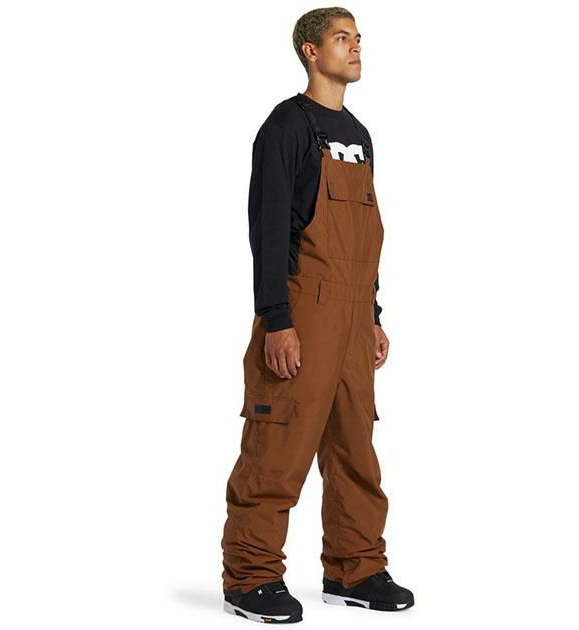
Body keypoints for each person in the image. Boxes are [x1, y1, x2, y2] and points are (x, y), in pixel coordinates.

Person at [220, 7, 414, 623]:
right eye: (341, 38)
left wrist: (373, 313)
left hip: (354, 315)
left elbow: (366, 235)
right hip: (303, 308)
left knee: (356, 448)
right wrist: (276, 318)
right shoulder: (287, 126)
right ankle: (250, 578)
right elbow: (268, 227)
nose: (355, 48)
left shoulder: (359, 134)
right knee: (278, 445)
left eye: (358, 39)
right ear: (310, 50)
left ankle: (356, 568)